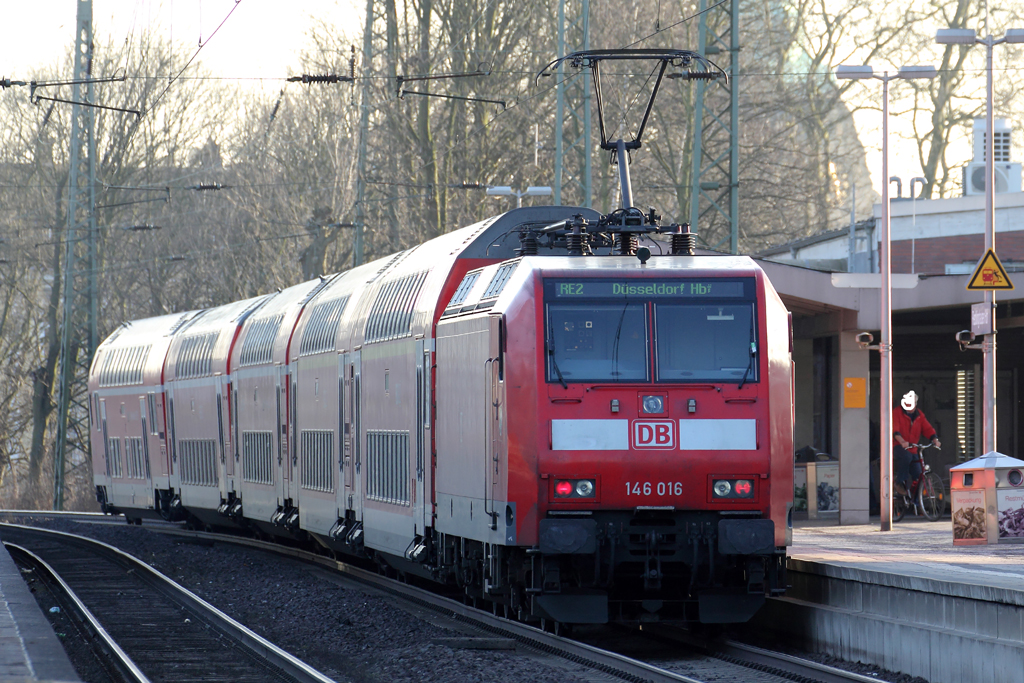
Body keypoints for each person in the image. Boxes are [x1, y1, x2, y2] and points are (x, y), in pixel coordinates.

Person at [893, 390, 940, 494]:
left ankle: (918, 503)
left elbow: (927, 428)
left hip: (913, 448)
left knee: (919, 474)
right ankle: (900, 482)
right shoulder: (897, 412)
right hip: (898, 446)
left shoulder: (919, 415)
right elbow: (895, 430)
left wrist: (934, 439)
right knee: (906, 457)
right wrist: (902, 441)